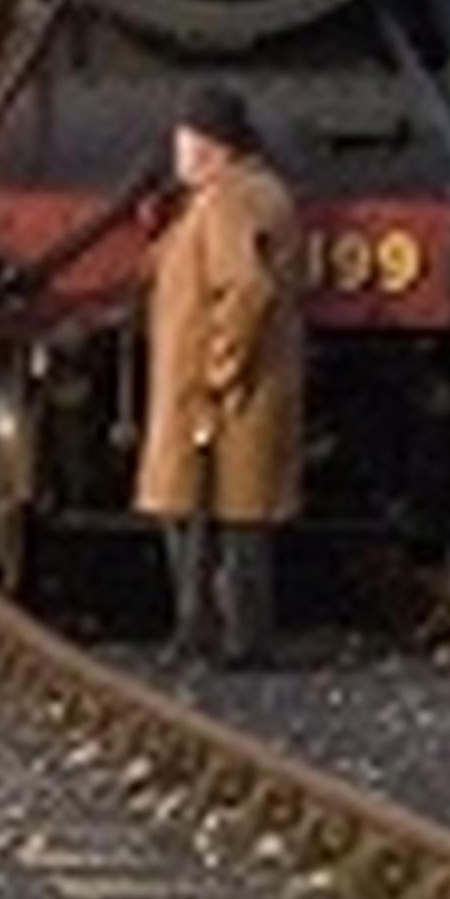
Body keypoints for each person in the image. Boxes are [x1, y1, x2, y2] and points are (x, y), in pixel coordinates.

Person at [138, 79, 303, 665]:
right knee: (228, 516)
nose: (178, 152)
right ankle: (219, 632)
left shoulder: (230, 201)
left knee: (210, 516)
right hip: (228, 387)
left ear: (211, 146)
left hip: (219, 392)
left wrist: (220, 371)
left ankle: (216, 634)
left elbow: (246, 288)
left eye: (185, 141)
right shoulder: (246, 195)